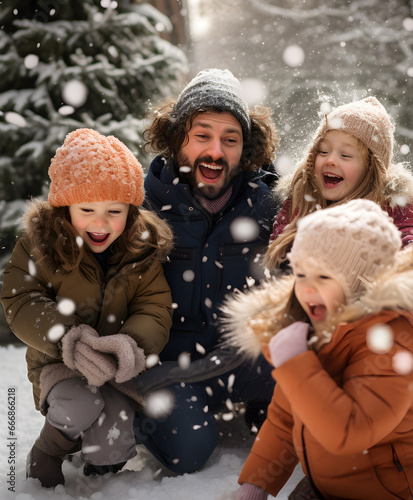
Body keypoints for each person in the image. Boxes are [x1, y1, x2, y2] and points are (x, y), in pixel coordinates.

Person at [221, 198, 413, 500]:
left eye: (323, 276)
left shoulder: (391, 344)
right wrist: (254, 487)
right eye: (300, 275)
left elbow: (351, 432)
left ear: (359, 284)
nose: (307, 288)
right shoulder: (313, 330)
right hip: (334, 483)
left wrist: (296, 363)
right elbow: (286, 419)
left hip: (396, 491)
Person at [265, 96, 413, 452]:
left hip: (374, 321)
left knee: (393, 350)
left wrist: (400, 265)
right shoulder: (301, 200)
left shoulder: (394, 203)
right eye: (323, 150)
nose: (330, 160)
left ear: (371, 168)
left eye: (346, 155)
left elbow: (412, 243)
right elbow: (280, 253)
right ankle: (329, 441)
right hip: (321, 319)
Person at [1, 128, 174, 488]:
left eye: (115, 211)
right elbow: (21, 299)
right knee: (80, 404)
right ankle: (49, 450)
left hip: (116, 366)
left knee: (115, 425)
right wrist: (69, 339)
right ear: (65, 208)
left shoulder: (139, 251)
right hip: (59, 361)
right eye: (87, 210)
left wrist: (131, 344)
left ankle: (102, 472)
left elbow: (154, 305)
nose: (100, 223)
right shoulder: (41, 245)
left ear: (131, 210)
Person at [133, 68, 280, 474]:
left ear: (245, 148)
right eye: (202, 135)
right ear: (176, 137)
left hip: (245, 362)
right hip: (172, 371)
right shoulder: (140, 207)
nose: (216, 151)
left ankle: (259, 409)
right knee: (190, 450)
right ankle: (151, 419)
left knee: (301, 426)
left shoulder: (267, 206)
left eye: (230, 139)